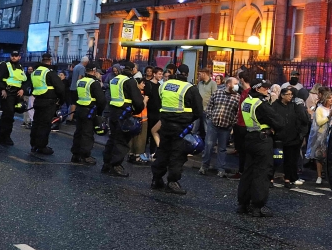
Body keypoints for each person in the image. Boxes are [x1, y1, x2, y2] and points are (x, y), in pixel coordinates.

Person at [151, 64, 204, 194]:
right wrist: (189, 120)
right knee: (177, 155)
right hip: (181, 127)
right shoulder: (189, 88)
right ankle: (172, 182)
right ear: (186, 74)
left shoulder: (164, 85)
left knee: (163, 151)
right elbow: (198, 111)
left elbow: (160, 102)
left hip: (165, 124)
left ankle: (156, 179)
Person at [238, 81, 277, 217]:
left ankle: (243, 204)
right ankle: (257, 206)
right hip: (262, 140)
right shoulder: (261, 103)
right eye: (265, 87)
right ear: (257, 89)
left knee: (248, 172)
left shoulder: (246, 102)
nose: (267, 89)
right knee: (262, 173)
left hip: (250, 137)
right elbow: (277, 120)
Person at [103, 60, 144, 177]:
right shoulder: (130, 81)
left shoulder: (115, 79)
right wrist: (137, 110)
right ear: (132, 70)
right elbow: (137, 101)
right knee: (121, 140)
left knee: (112, 138)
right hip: (124, 113)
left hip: (113, 112)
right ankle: (115, 166)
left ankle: (107, 163)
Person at [201, 76, 241, 177]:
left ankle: (221, 169)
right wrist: (210, 117)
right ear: (228, 84)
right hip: (213, 124)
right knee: (209, 146)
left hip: (226, 126)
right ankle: (204, 166)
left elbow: (238, 113)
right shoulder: (217, 93)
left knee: (222, 148)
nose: (237, 86)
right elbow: (210, 106)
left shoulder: (237, 97)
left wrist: (232, 123)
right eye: (235, 83)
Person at [27, 54, 67, 155]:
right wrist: (61, 101)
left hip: (38, 100)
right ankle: (41, 146)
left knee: (36, 123)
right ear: (50, 61)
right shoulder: (49, 73)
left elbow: (32, 87)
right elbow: (61, 88)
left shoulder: (35, 72)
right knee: (44, 125)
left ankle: (34, 144)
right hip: (48, 102)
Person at [271, 86, 309, 187]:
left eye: (291, 95)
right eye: (288, 94)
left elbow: (301, 120)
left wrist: (300, 134)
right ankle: (270, 179)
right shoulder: (275, 105)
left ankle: (287, 179)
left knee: (290, 160)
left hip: (292, 137)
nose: (290, 97)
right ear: (282, 95)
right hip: (278, 137)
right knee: (276, 159)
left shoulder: (293, 106)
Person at [71, 65, 106, 164]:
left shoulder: (80, 81)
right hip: (90, 110)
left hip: (80, 109)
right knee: (87, 134)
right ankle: (85, 156)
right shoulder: (94, 83)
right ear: (94, 71)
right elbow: (101, 100)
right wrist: (99, 112)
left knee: (78, 132)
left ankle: (76, 154)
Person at [0, 50, 27, 146]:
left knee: (10, 115)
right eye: (12, 55)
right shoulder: (5, 65)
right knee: (7, 115)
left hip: (16, 94)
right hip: (7, 93)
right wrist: (2, 89)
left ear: (19, 57)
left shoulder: (20, 67)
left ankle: (6, 136)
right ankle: (2, 137)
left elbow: (24, 81)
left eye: (16, 56)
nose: (14, 57)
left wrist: (22, 89)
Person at [307, 89, 332, 184]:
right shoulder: (319, 109)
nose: (331, 100)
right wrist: (328, 117)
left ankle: (329, 175)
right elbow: (319, 122)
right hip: (321, 135)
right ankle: (319, 176)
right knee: (319, 156)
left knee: (330, 156)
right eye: (329, 98)